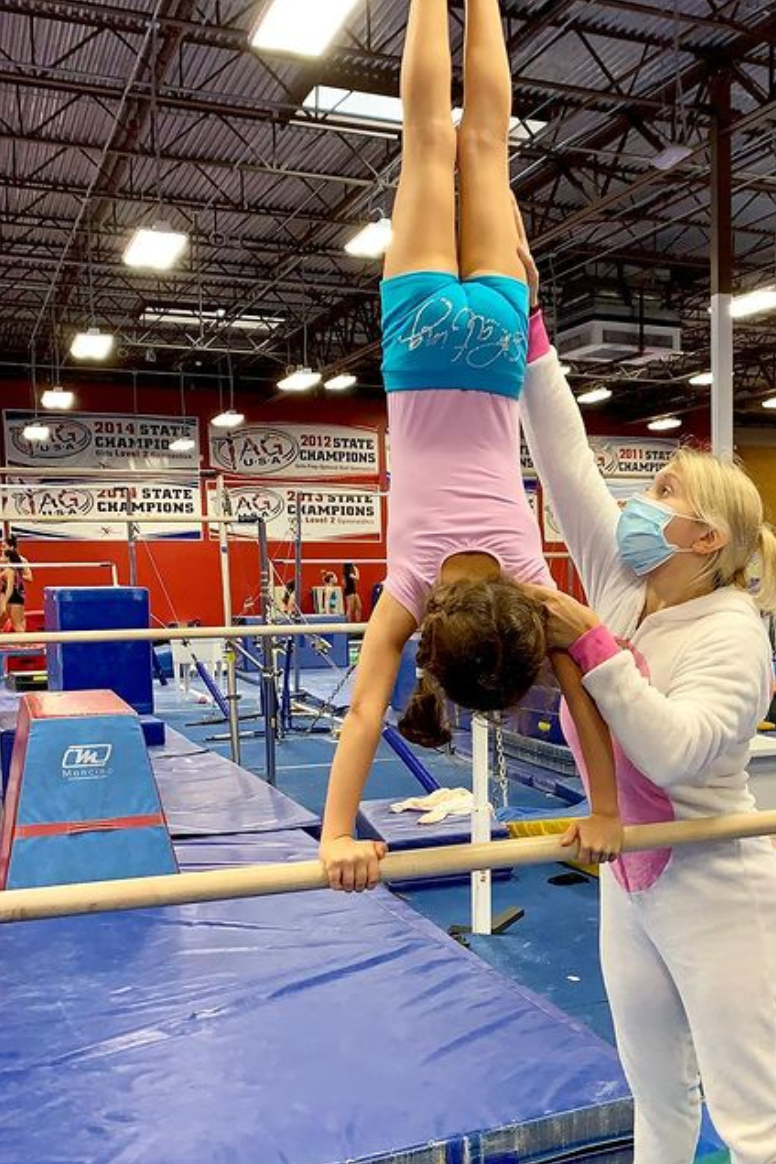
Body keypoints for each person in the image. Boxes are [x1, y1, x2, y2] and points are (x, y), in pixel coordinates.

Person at [515, 217, 776, 1164]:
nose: (637, 505)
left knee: (760, 1125)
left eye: (662, 497)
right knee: (657, 1103)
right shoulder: (624, 580)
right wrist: (529, 330)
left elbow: (675, 750)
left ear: (704, 541)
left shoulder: (733, 633)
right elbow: (564, 459)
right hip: (632, 878)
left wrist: (590, 643)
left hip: (715, 880)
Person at [318, 0, 622, 893]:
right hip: (418, 344)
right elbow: (366, 707)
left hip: (494, 345)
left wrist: (603, 807)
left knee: (485, 142)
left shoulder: (532, 584)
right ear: (434, 646)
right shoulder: (412, 588)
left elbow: (583, 688)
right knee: (426, 141)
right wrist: (337, 834)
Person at [0, 539, 31, 634]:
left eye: (4, 546)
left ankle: (24, 642)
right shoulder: (1, 560)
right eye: (1, 546)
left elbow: (30, 578)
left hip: (17, 590)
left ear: (11, 547)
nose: (1, 549)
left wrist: (16, 574)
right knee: (1, 615)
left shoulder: (22, 560)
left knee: (17, 622)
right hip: (5, 590)